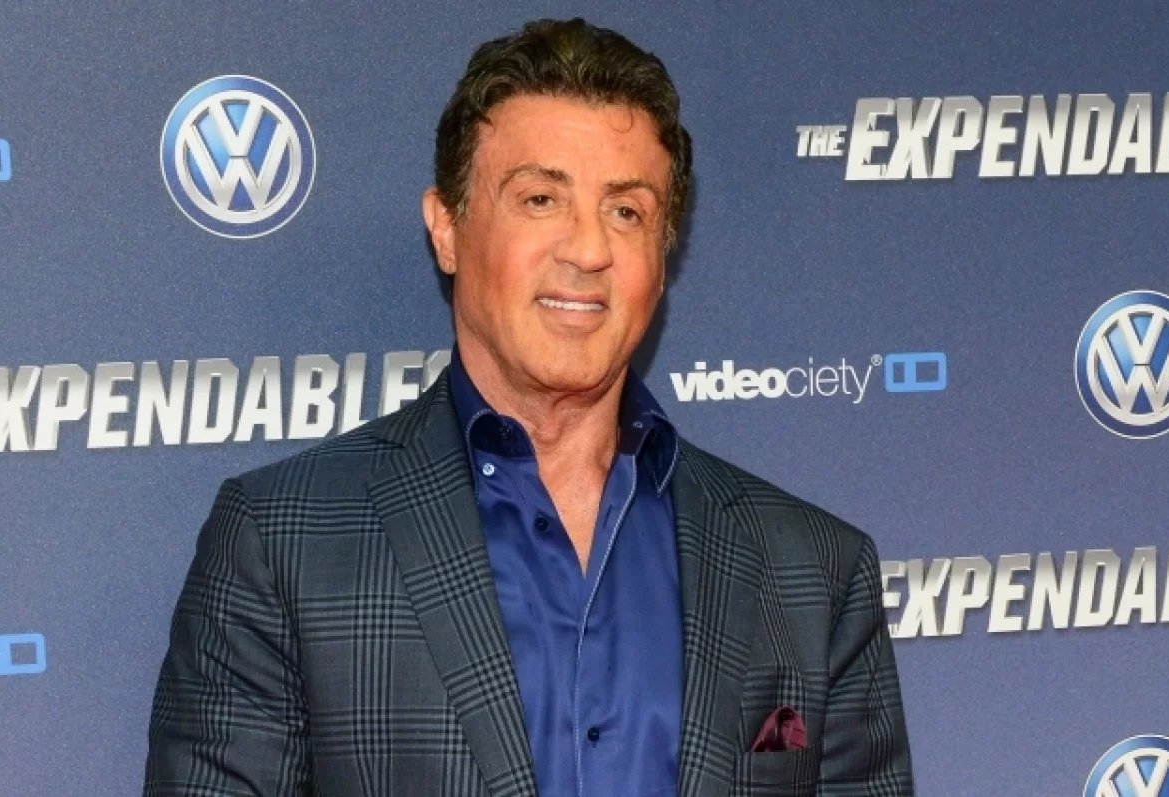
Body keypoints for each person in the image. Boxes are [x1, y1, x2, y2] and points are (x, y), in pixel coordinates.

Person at [144, 17, 913, 797]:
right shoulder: (285, 543)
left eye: (626, 211)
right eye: (542, 199)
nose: (588, 249)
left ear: (663, 253)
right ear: (447, 229)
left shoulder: (812, 569)